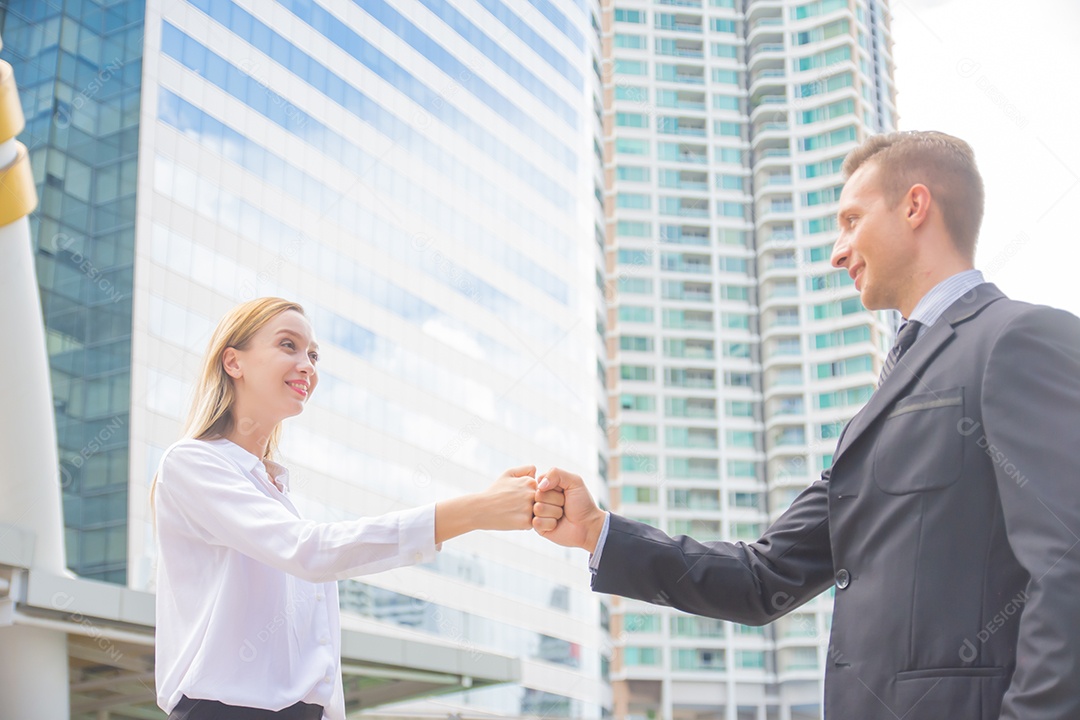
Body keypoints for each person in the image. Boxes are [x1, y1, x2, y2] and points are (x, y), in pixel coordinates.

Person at [534, 131, 1080, 719]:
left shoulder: (1017, 339)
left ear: (915, 206)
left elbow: (1069, 560)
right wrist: (597, 531)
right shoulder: (885, 399)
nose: (837, 251)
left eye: (851, 220)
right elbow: (763, 576)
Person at [152, 298, 564, 720]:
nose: (307, 365)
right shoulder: (192, 463)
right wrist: (473, 512)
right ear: (233, 362)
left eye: (313, 355)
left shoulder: (276, 494)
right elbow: (311, 552)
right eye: (288, 345)